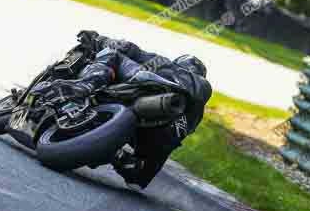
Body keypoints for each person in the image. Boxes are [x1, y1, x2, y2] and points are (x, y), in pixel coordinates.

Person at [31, 30, 212, 189]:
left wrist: (97, 38)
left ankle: (84, 87)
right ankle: (117, 156)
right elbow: (140, 180)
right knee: (139, 177)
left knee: (112, 54)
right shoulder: (196, 111)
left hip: (148, 90)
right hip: (158, 138)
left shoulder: (167, 65)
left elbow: (127, 47)